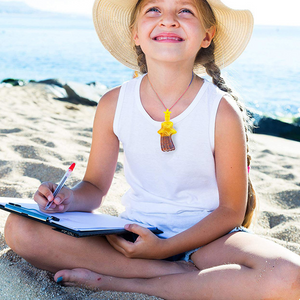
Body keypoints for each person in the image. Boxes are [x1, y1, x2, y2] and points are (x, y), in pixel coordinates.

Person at [4, 0, 300, 299]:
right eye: (153, 10)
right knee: (19, 229)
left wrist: (167, 248)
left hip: (208, 240)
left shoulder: (221, 111)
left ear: (207, 36)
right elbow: (94, 187)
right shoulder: (113, 103)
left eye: (185, 10)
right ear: (135, 34)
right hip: (134, 234)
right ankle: (182, 277)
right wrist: (66, 198)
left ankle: (119, 282)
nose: (168, 20)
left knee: (289, 276)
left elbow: (230, 212)